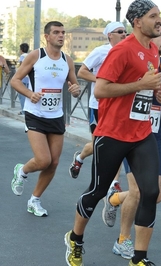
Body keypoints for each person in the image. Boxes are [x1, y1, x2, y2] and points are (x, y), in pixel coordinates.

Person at [64, 1, 161, 266]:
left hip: (141, 132)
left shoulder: (154, 50)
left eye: (159, 16)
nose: (159, 20)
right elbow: (101, 90)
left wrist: (157, 92)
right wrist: (141, 84)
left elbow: (145, 88)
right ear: (137, 22)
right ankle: (75, 239)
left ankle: (139, 258)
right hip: (112, 134)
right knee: (97, 190)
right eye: (153, 16)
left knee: (150, 191)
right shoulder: (121, 51)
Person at [101, 21, 161, 260]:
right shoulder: (132, 57)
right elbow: (114, 89)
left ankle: (113, 199)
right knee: (138, 190)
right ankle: (123, 240)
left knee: (156, 194)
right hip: (129, 134)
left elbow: (157, 96)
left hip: (153, 134)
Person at [10, 21, 81, 217]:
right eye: (56, 32)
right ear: (47, 36)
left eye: (63, 32)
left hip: (56, 115)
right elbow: (15, 80)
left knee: (54, 163)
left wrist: (75, 90)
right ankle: (22, 171)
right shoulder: (36, 56)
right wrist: (29, 93)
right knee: (43, 160)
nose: (61, 36)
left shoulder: (67, 60)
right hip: (35, 113)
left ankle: (35, 200)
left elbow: (75, 88)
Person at [69, 21, 127, 180]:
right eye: (120, 31)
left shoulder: (127, 52)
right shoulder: (101, 51)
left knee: (117, 145)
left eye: (125, 32)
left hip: (119, 106)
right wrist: (103, 81)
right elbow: (82, 72)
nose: (124, 34)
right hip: (98, 105)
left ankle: (113, 185)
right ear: (110, 35)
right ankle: (80, 158)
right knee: (98, 145)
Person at [17, 43, 29, 115]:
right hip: (29, 78)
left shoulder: (22, 56)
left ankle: (24, 111)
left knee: (21, 96)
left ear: (21, 50)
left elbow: (21, 67)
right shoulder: (29, 56)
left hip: (23, 78)